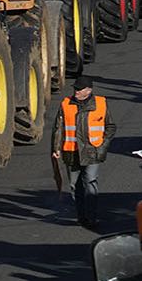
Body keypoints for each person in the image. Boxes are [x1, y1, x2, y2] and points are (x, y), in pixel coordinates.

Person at [50, 76, 107, 227]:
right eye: (75, 88)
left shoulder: (100, 104)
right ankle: (81, 216)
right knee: (75, 185)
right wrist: (56, 148)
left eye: (79, 89)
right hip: (71, 151)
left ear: (89, 90)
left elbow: (110, 126)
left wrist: (103, 145)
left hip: (92, 152)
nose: (76, 91)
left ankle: (91, 216)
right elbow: (58, 128)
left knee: (90, 182)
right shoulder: (65, 104)